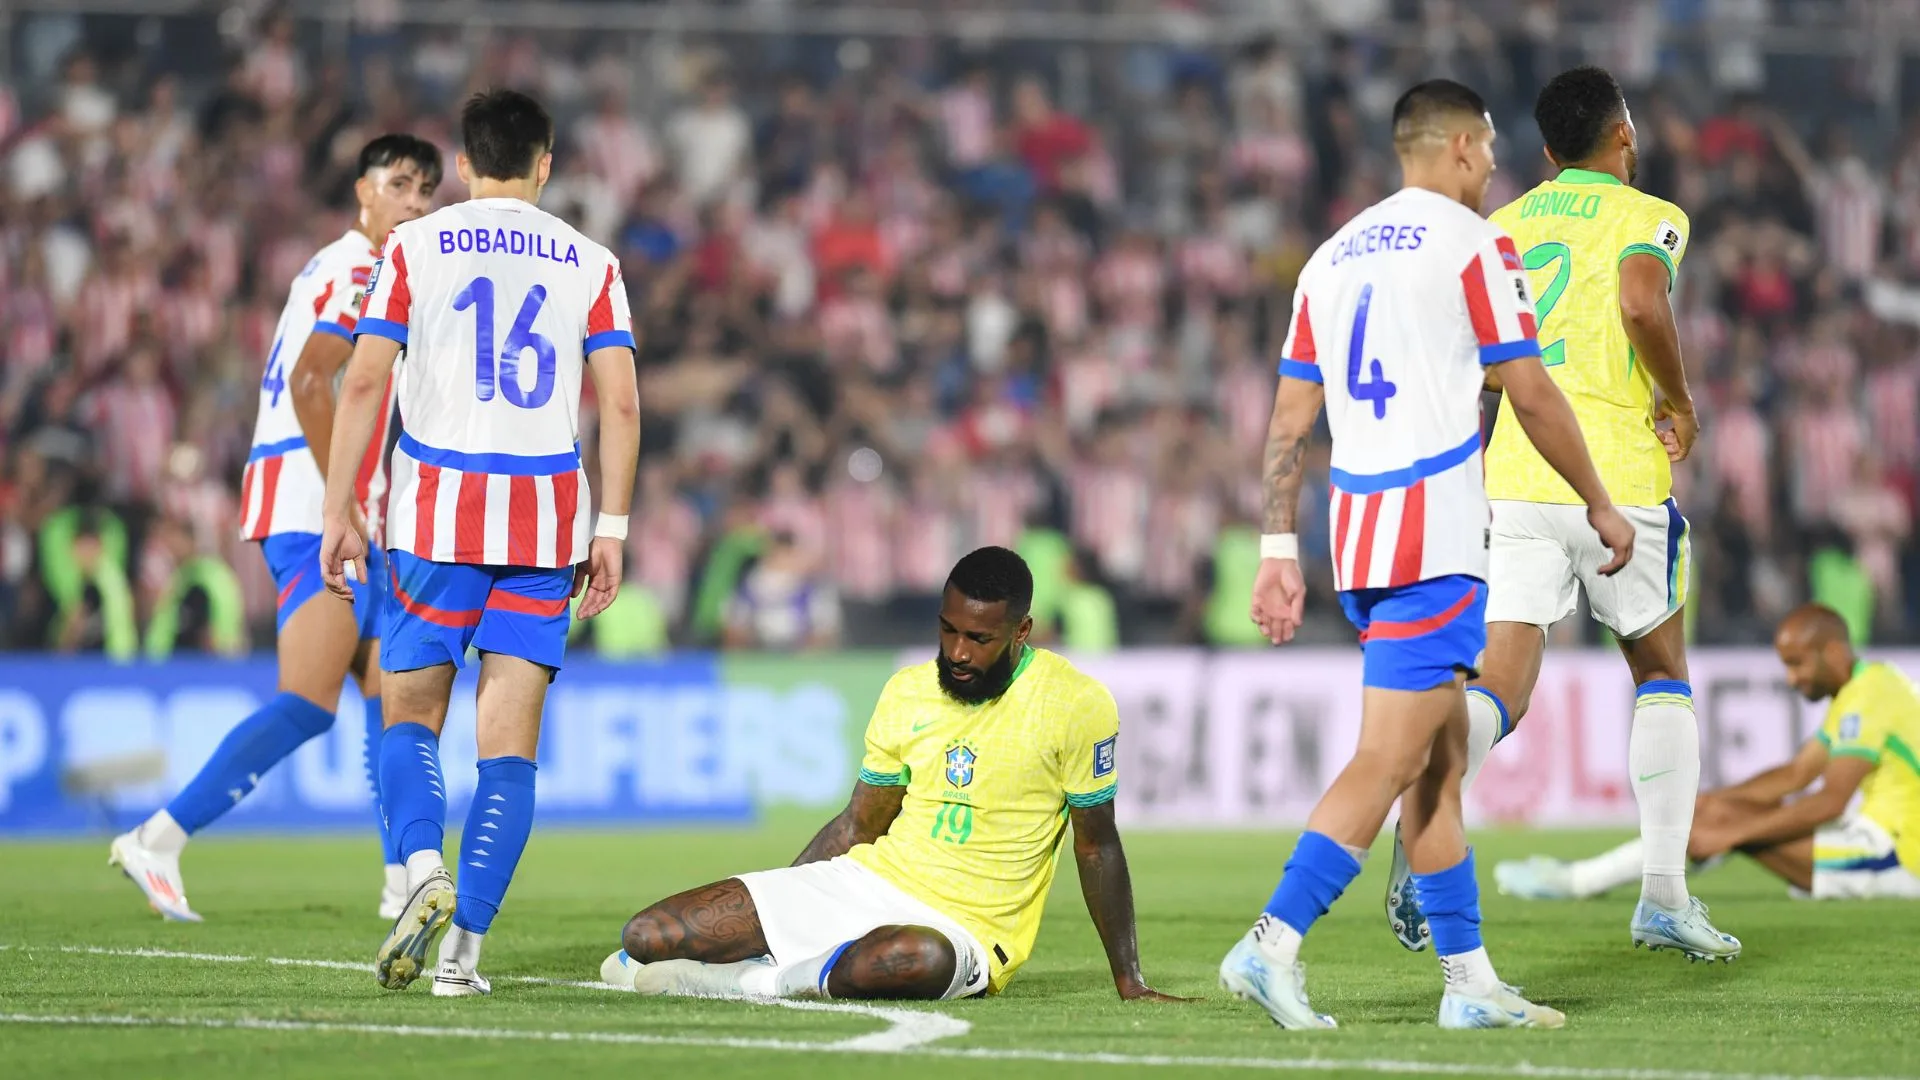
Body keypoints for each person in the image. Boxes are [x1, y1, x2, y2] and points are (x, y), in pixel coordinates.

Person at [1217, 79, 1634, 1030]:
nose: (1494, 165)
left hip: (1359, 538)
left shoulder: (1328, 258)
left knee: (1441, 764)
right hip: (1433, 536)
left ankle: (1470, 984)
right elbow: (1528, 391)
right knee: (1389, 759)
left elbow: (1290, 419)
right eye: (1487, 148)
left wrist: (1278, 546)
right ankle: (1271, 943)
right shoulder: (1477, 245)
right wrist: (1601, 503)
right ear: (1455, 146)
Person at [1385, 66, 1741, 963]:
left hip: (1513, 476)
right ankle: (1662, 897)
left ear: (1544, 153)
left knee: (1502, 683)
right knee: (1661, 674)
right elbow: (1637, 300)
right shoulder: (1650, 215)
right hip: (1615, 476)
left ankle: (1426, 796)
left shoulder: (1500, 227)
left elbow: (1470, 362)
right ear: (1623, 134)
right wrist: (1678, 399)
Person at [320, 89, 639, 997]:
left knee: (409, 714)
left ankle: (421, 870)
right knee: (509, 748)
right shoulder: (592, 261)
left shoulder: (415, 246)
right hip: (547, 521)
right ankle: (462, 958)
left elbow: (363, 382)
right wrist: (610, 527)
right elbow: (617, 403)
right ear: (546, 163)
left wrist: (340, 507)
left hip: (436, 512)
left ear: (463, 164)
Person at [602, 546, 1180, 1004]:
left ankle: (750, 984)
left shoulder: (1077, 703)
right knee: (647, 936)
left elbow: (1097, 846)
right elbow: (860, 823)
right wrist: (783, 905)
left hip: (967, 929)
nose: (956, 651)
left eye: (978, 639)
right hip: (871, 881)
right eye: (947, 629)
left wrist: (1129, 979)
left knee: (910, 958)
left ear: (1021, 632)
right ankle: (774, 963)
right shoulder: (907, 689)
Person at [108, 135, 442, 923]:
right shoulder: (358, 268)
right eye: (399, 185)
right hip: (315, 505)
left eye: (426, 191)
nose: (415, 204)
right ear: (363, 191)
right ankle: (159, 836)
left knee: (390, 697)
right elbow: (312, 378)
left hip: (338, 505)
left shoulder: (340, 266)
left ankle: (401, 885)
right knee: (309, 700)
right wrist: (345, 504)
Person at [1496, 604, 1920, 907]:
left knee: (1722, 827)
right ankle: (1579, 880)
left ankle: (1577, 881)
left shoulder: (1870, 695)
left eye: (1798, 665)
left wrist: (1733, 832)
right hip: (1878, 841)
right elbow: (1797, 774)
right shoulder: (1862, 690)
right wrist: (1721, 803)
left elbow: (1830, 802)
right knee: (1713, 818)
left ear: (1831, 653)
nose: (1792, 679)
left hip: (1898, 858)